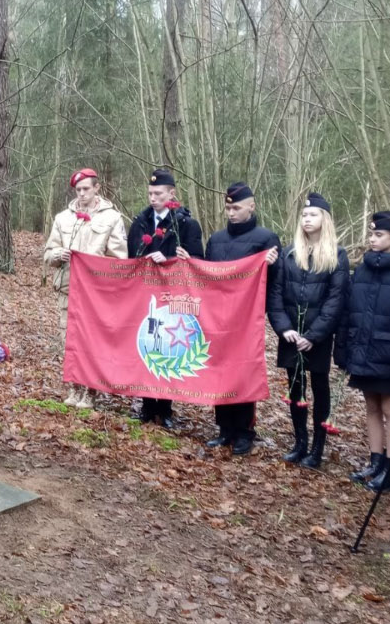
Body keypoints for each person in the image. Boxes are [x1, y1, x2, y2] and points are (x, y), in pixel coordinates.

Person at [335, 211, 390, 491]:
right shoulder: (362, 268)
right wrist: (344, 348)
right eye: (371, 234)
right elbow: (349, 312)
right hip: (363, 350)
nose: (372, 239)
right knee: (371, 406)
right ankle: (375, 461)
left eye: (378, 234)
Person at [268, 193, 350, 469]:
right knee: (296, 387)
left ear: (324, 220)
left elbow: (336, 300)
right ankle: (299, 442)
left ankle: (317, 449)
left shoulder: (337, 256)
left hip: (318, 337)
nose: (307, 219)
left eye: (313, 214)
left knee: (319, 387)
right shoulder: (290, 254)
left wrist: (314, 335)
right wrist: (284, 329)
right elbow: (276, 294)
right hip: (292, 334)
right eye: (304, 215)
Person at [202, 181, 280, 455]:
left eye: (236, 207)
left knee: (243, 372)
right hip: (218, 318)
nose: (231, 213)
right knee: (220, 370)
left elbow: (273, 282)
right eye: (227, 208)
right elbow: (206, 274)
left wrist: (270, 265)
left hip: (246, 321)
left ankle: (245, 431)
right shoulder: (216, 239)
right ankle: (224, 428)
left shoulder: (266, 239)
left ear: (251, 206)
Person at [41, 167, 127, 409]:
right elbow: (48, 253)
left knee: (92, 341)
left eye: (86, 189)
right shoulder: (62, 218)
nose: (81, 194)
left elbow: (120, 259)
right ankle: (74, 387)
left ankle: (90, 391)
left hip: (97, 293)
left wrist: (92, 262)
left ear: (97, 187)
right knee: (68, 338)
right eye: (78, 190)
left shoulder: (112, 218)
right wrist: (57, 254)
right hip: (68, 288)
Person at [126, 168, 204, 429]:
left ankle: (166, 408)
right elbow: (131, 259)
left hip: (173, 297)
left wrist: (170, 260)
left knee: (169, 347)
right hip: (146, 295)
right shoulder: (139, 222)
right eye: (150, 193)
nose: (153, 198)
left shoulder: (187, 225)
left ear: (172, 194)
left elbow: (197, 262)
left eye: (158, 193)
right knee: (149, 344)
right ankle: (147, 406)